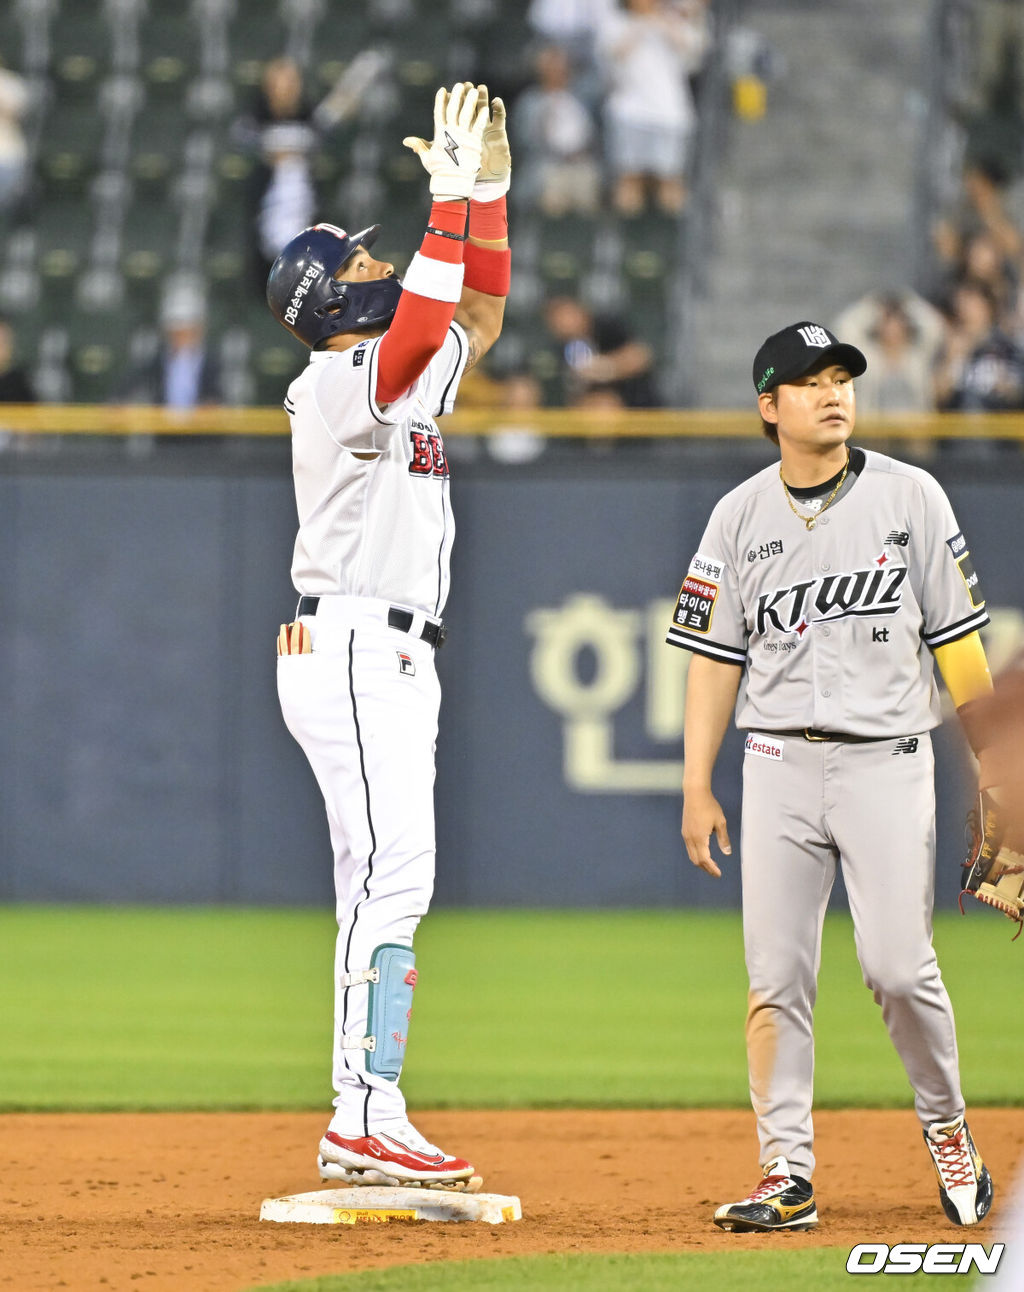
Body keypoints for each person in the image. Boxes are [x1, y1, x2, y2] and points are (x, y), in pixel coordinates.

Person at [666, 321, 996, 1232]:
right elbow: (710, 658)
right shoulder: (737, 516)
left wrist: (996, 766)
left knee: (898, 967)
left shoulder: (911, 496)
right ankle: (787, 1173)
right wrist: (698, 784)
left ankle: (947, 1127)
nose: (833, 393)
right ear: (769, 408)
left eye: (841, 377)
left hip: (887, 761)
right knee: (776, 979)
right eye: (809, 381)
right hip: (775, 760)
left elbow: (961, 642)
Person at [266, 82, 511, 1191]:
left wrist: (490, 190)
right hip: (358, 643)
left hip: (391, 651)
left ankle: (368, 1107)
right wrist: (447, 199)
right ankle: (363, 1113)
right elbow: (420, 320)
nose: (375, 263)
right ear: (328, 298)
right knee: (389, 879)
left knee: (385, 878)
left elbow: (478, 318)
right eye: (356, 262)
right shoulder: (336, 379)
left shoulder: (395, 380)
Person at [596, 0, 709, 216]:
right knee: (629, 180)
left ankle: (671, 240)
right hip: (628, 114)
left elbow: (694, 51)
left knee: (670, 180)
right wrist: (642, 25)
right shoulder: (614, 22)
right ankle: (627, 240)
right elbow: (613, 53)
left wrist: (665, 22)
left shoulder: (675, 20)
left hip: (670, 115)